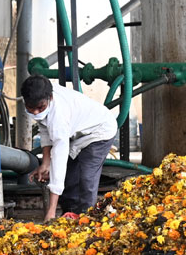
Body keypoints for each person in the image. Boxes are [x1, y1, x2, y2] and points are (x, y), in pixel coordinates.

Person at [21, 75, 118, 220]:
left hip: (100, 131)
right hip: (78, 134)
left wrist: (50, 211)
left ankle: (87, 218)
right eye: (30, 108)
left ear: (50, 98)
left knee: (86, 177)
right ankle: (69, 213)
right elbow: (45, 128)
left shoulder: (59, 116)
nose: (35, 112)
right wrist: (46, 163)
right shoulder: (41, 99)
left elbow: (59, 161)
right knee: (70, 176)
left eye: (40, 108)